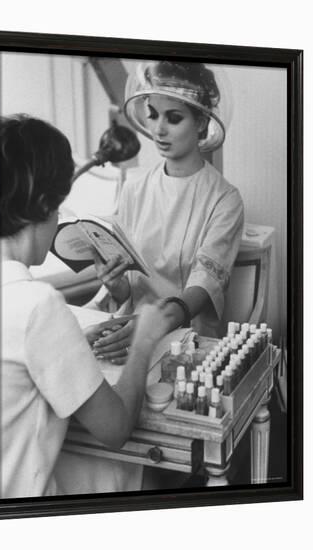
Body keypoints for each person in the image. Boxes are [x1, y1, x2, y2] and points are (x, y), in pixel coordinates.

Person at [0, 114, 173, 498]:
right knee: (135, 472)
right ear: (45, 205)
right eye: (59, 205)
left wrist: (72, 339)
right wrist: (144, 340)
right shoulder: (37, 304)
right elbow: (115, 430)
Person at [91, 61, 244, 364]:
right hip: (130, 334)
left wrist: (151, 326)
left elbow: (203, 287)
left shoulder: (225, 200)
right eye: (153, 114)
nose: (158, 129)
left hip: (187, 344)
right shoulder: (135, 188)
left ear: (201, 122)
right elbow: (129, 285)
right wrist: (115, 284)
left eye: (173, 118)